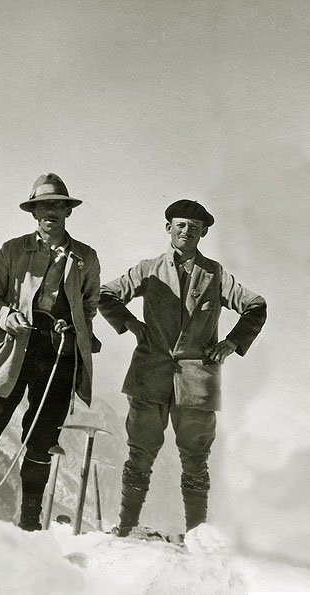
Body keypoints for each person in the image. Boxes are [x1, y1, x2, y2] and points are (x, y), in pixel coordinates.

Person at [98, 199, 267, 536]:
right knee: (139, 454)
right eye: (180, 225)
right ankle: (126, 527)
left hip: (196, 383)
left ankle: (196, 535)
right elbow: (105, 294)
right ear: (168, 229)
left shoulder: (215, 274)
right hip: (148, 378)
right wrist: (130, 323)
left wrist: (232, 342)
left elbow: (256, 305)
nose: (186, 231)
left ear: (203, 232)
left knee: (195, 460)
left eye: (193, 226)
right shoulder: (148, 269)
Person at [0, 173, 101, 531]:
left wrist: (73, 327)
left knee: (43, 437)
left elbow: (89, 304)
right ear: (34, 212)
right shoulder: (13, 250)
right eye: (44, 206)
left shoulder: (85, 258)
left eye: (58, 205)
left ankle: (29, 522)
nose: (51, 212)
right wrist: (4, 315)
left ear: (68, 212)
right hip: (12, 347)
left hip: (59, 352)